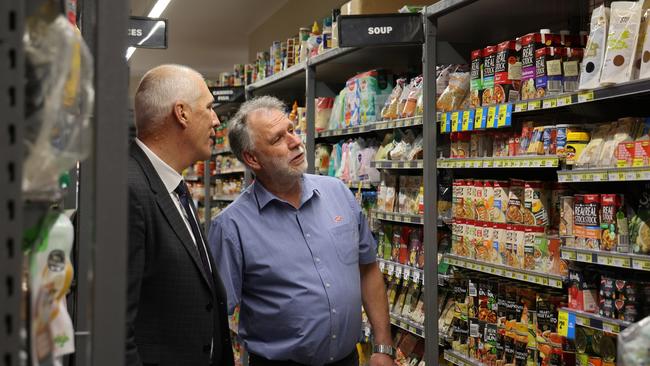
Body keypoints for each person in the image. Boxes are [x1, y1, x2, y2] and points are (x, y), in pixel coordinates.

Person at [208, 96, 395, 366]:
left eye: (292, 130)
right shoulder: (231, 226)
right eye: (277, 139)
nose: (295, 142)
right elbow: (213, 312)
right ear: (252, 158)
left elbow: (368, 268)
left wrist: (383, 345)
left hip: (348, 360)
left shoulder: (338, 192)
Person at [126, 64, 234, 366]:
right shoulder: (128, 189)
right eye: (210, 108)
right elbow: (114, 326)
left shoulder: (173, 186)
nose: (216, 120)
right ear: (182, 113)